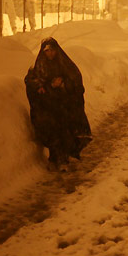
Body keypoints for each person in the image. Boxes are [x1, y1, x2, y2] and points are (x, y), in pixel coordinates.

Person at [24, 37, 92, 170]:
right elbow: (30, 79)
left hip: (64, 105)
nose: (50, 54)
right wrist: (40, 86)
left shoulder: (64, 64)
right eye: (47, 51)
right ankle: (55, 158)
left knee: (63, 130)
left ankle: (63, 159)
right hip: (47, 107)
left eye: (52, 50)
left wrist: (63, 84)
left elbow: (76, 80)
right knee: (52, 130)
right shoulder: (39, 66)